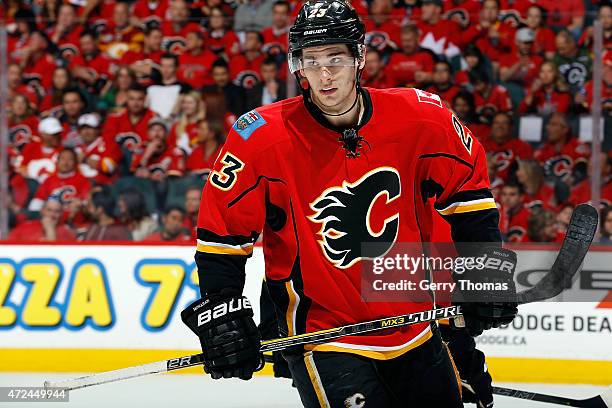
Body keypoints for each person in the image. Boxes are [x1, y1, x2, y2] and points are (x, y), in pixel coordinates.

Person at [180, 1, 518, 407]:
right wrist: (223, 307)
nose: (324, 75)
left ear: (359, 57)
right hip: (325, 339)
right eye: (312, 60)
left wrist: (482, 269)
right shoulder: (261, 139)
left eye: (336, 58)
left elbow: (469, 201)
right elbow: (222, 237)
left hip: (418, 329)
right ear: (297, 66)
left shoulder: (421, 119)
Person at [8, 197, 76, 242]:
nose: (52, 215)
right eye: (49, 210)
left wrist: (50, 230)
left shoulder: (66, 232)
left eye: (57, 211)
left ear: (61, 214)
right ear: (42, 211)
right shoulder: (25, 227)